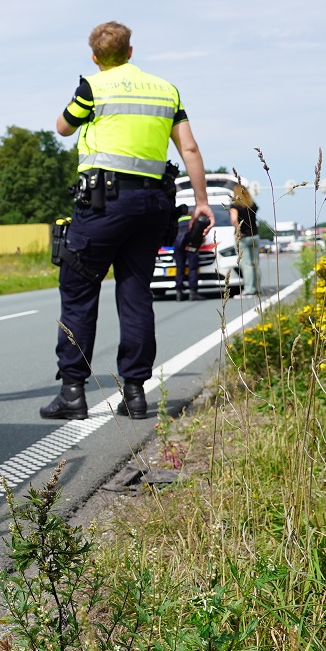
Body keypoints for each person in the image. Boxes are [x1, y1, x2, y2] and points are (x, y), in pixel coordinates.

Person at [41, 22, 214, 421]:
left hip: (103, 205)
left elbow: (63, 127)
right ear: (131, 52)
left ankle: (72, 393)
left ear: (95, 57)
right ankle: (135, 394)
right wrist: (201, 201)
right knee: (135, 294)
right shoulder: (166, 90)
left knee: (79, 292)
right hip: (153, 205)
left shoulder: (92, 86)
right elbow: (188, 146)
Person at [230, 181, 262, 296]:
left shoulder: (235, 206)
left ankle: (249, 290)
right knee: (255, 263)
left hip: (243, 237)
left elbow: (234, 219)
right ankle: (257, 288)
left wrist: (238, 231)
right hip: (255, 235)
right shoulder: (252, 205)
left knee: (246, 264)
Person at [170, 214, 201, 300]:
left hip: (177, 244)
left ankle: (179, 293)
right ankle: (193, 292)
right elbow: (198, 232)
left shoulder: (177, 220)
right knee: (193, 268)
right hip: (189, 244)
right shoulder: (193, 219)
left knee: (179, 268)